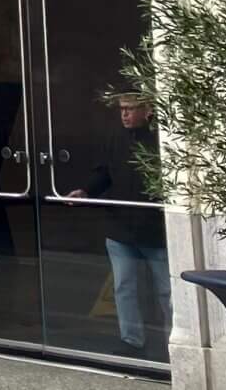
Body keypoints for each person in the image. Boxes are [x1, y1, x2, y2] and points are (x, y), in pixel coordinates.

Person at [65, 94, 170, 354]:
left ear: (148, 111)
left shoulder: (162, 139)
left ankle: (174, 343)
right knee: (124, 287)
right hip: (120, 227)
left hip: (155, 228)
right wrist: (86, 191)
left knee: (167, 292)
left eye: (131, 109)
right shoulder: (115, 137)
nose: (124, 115)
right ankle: (131, 341)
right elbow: (104, 173)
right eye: (122, 109)